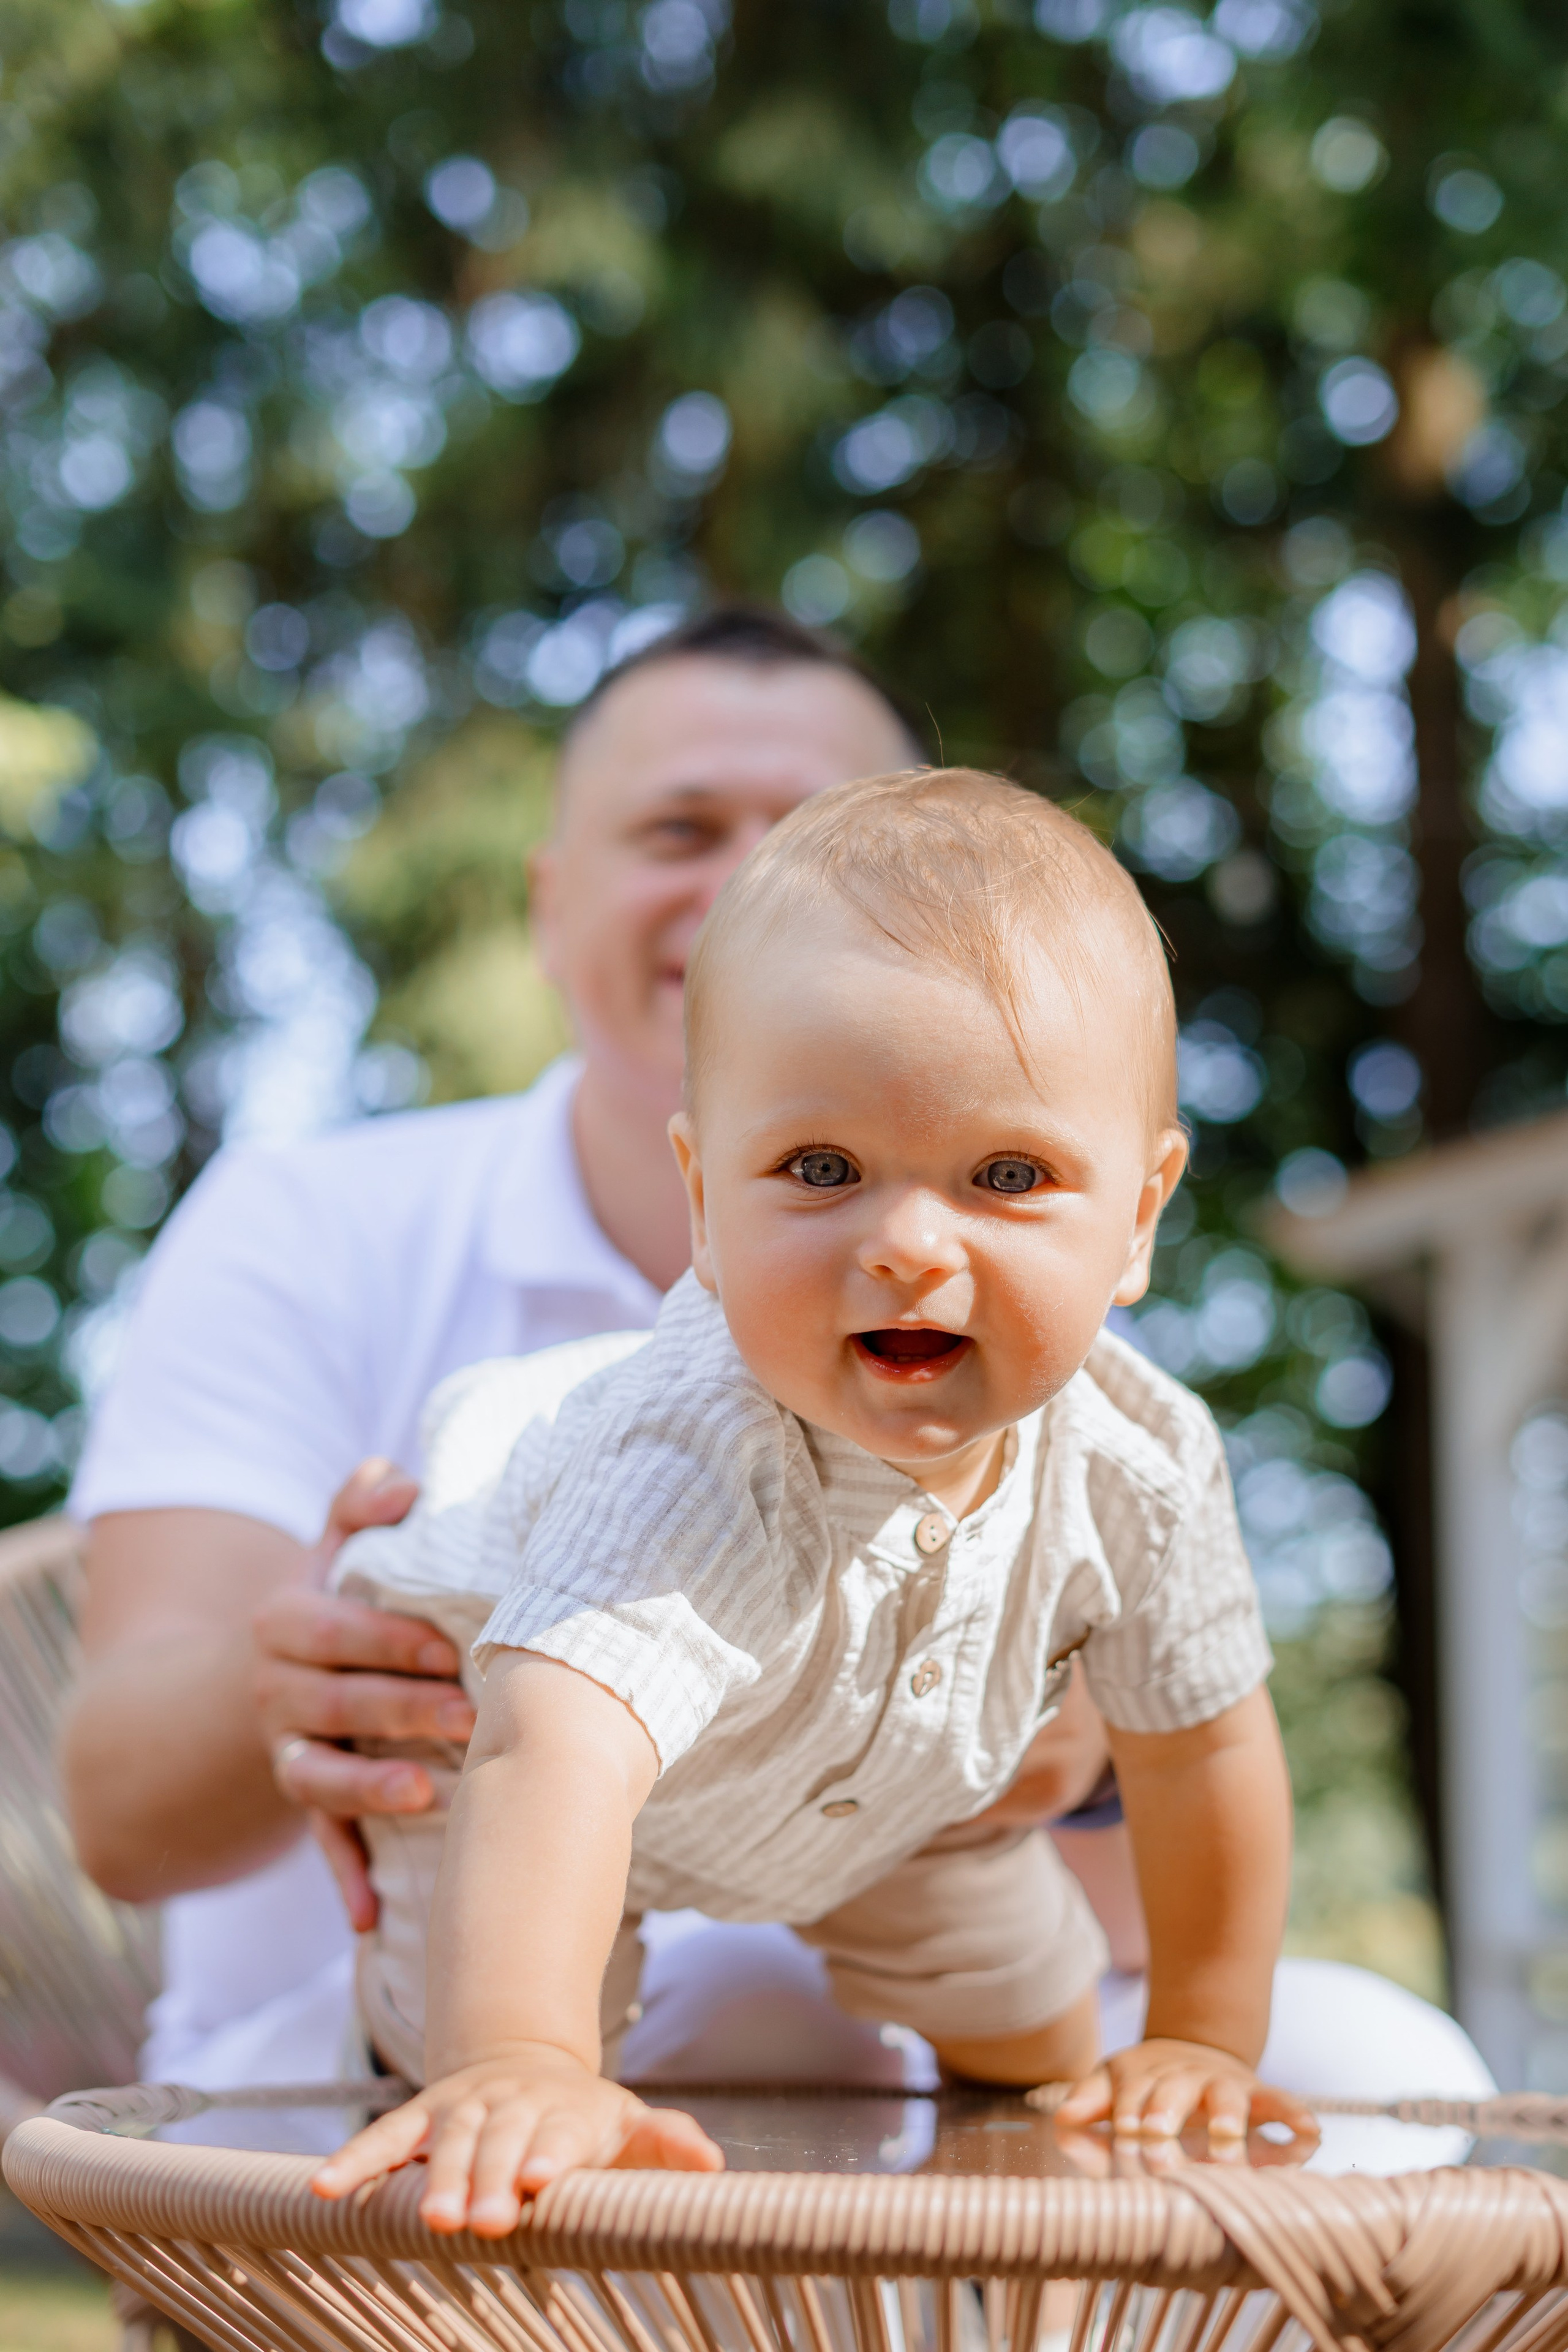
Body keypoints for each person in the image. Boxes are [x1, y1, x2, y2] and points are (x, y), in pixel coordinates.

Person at [61, 611, 1124, 2124]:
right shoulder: (304, 1224)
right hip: (354, 2081)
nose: (751, 884)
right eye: (679, 828)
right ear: (551, 908)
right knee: (765, 2010)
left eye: (819, 836)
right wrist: (295, 1679)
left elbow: (1126, 1929)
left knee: (1385, 2067)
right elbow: (115, 1817)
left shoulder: (1025, 1286)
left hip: (918, 2059)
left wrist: (1065, 1762)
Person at [313, 768, 1315, 2234]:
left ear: (1140, 1218)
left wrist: (1200, 2037)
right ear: (706, 1205)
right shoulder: (687, 1454)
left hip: (902, 1803)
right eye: (822, 1168)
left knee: (1048, 2044)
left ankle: (989, 2261)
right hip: (521, 1782)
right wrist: (520, 2054)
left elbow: (1202, 1749)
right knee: (487, 2071)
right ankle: (460, 2070)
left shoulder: (1140, 1465)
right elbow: (553, 1758)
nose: (908, 1244)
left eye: (1007, 1173)